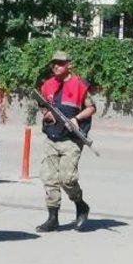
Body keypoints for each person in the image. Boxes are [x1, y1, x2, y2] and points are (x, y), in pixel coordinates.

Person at [36, 51, 96, 233]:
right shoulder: (47, 85)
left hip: (71, 139)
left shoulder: (79, 84)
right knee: (49, 179)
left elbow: (92, 108)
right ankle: (52, 219)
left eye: (60, 63)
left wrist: (77, 118)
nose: (56, 66)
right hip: (51, 137)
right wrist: (46, 115)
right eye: (54, 63)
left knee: (67, 179)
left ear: (69, 64)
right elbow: (43, 106)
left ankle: (81, 204)